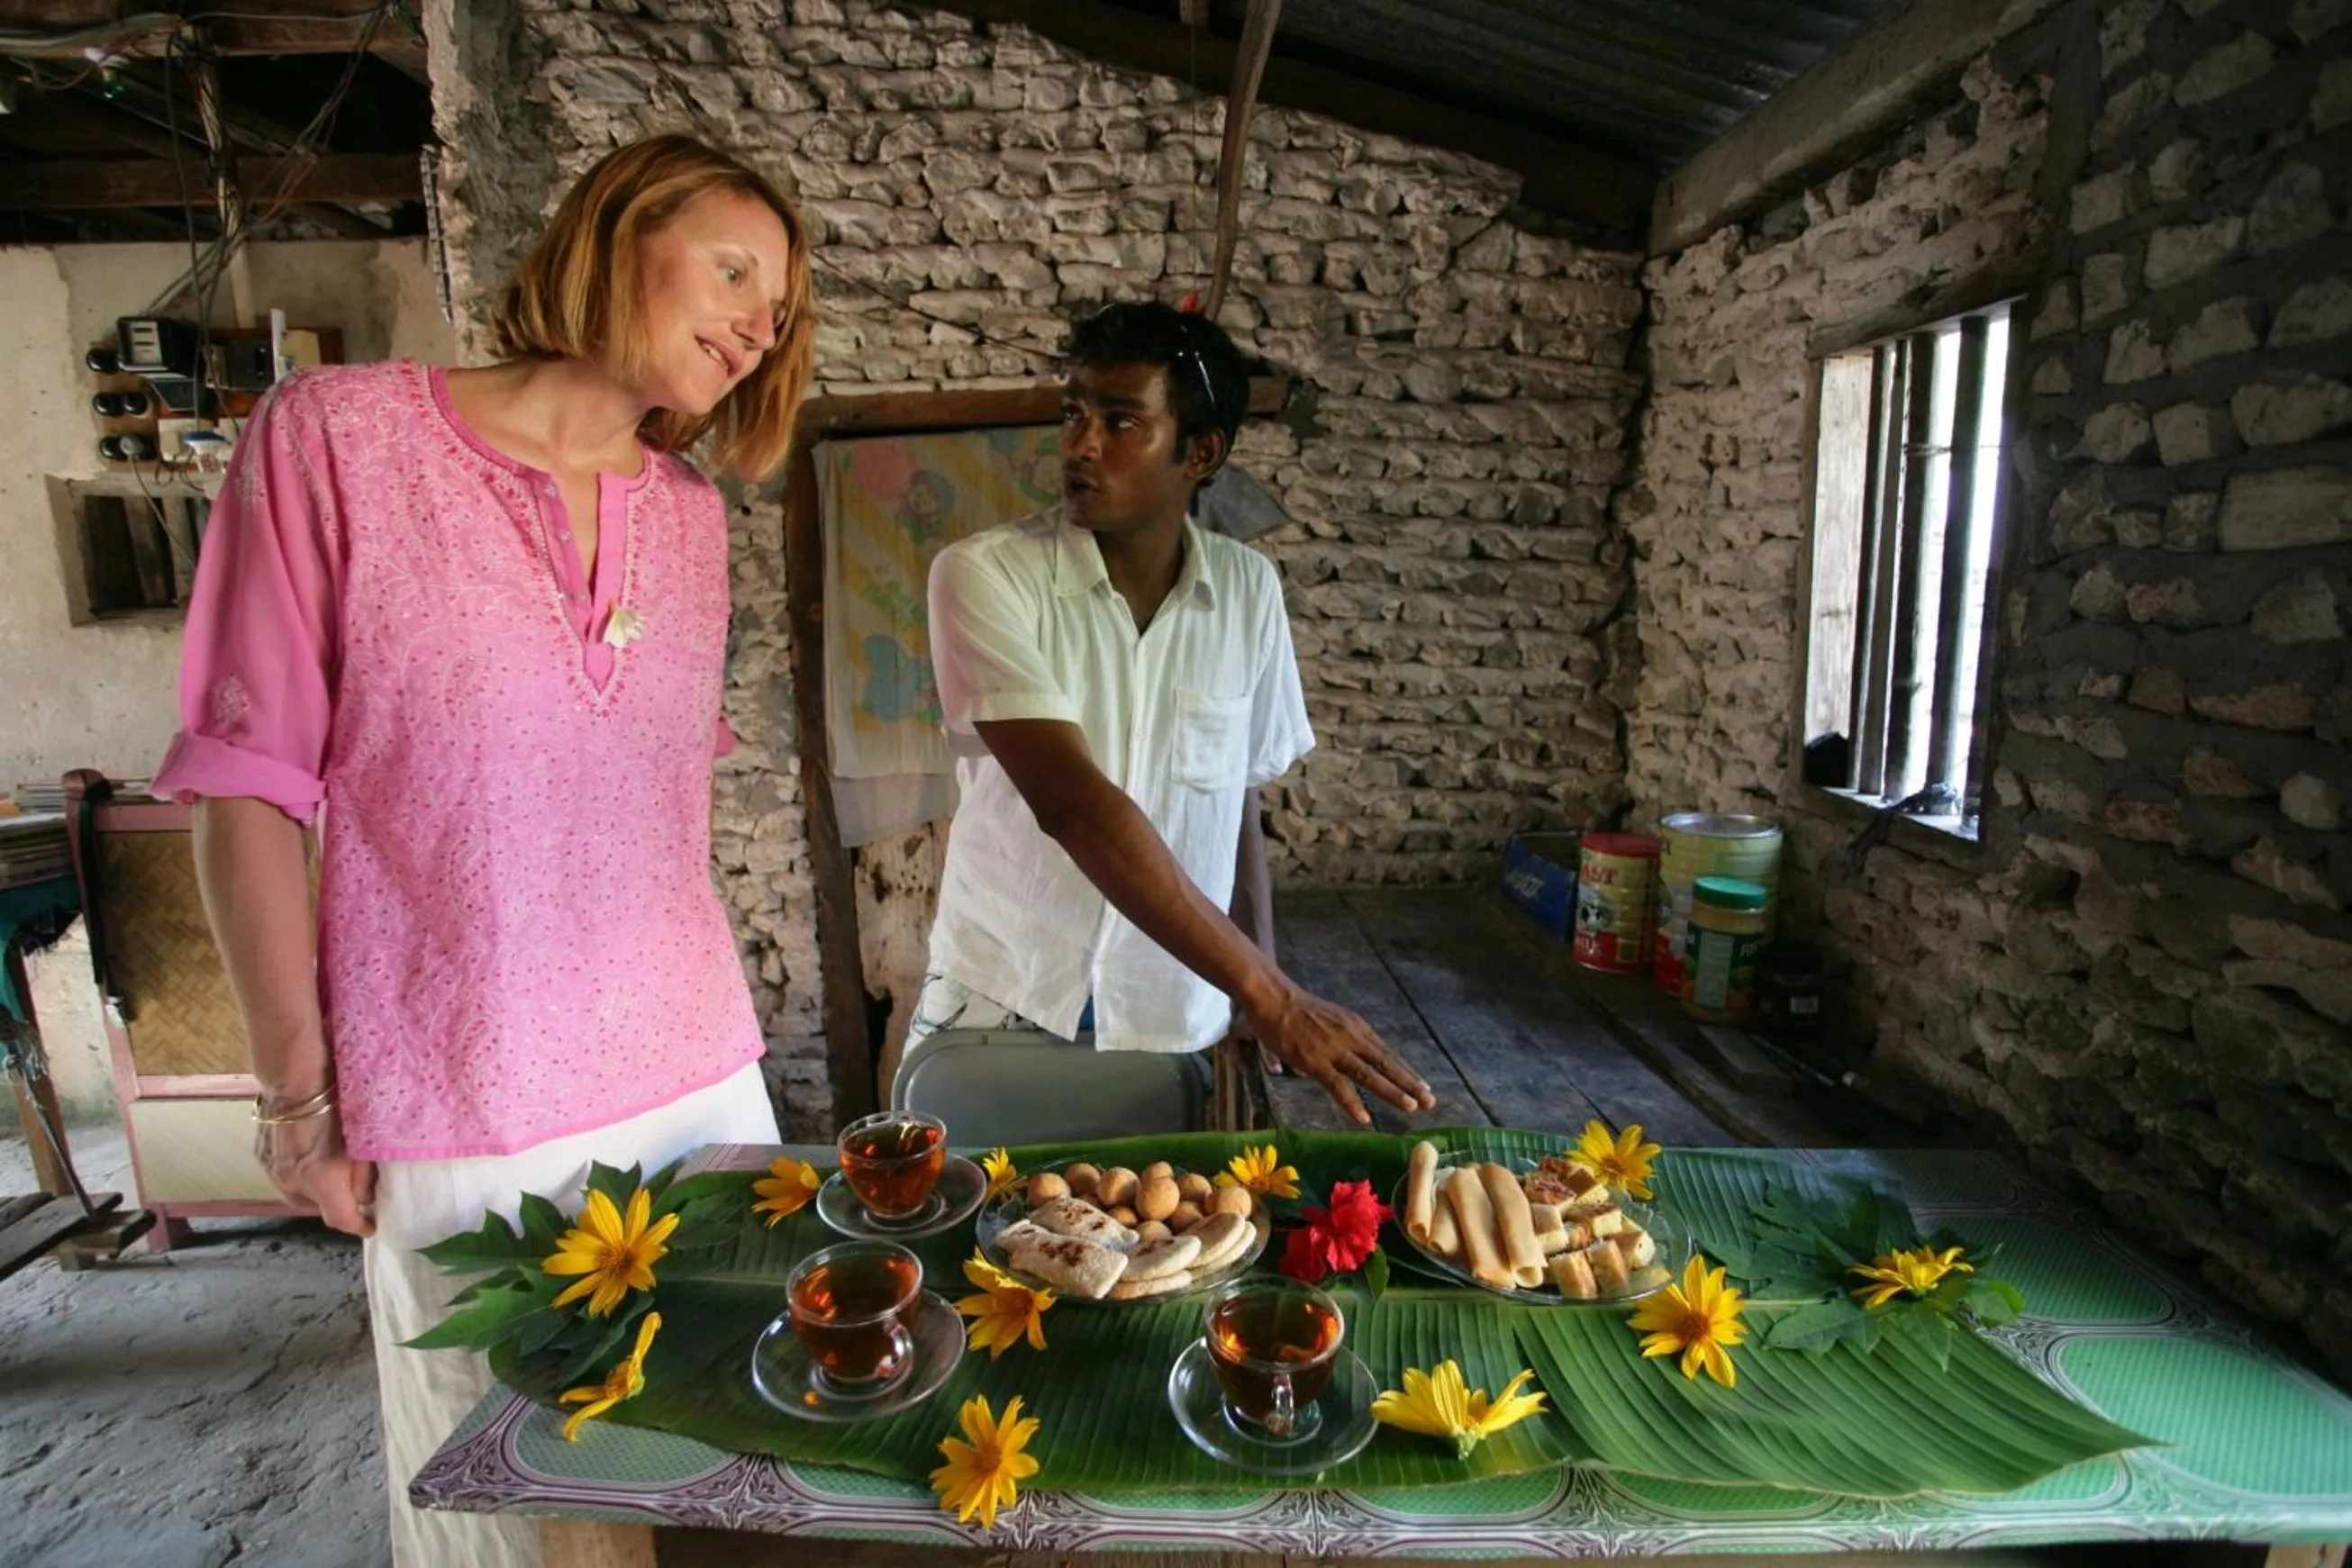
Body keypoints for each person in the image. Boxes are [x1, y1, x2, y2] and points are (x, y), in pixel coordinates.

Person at [153, 135, 814, 1568]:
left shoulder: (691, 522)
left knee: (727, 1494)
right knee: (519, 1520)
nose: (761, 323)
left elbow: (647, 830)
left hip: (696, 1087)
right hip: (459, 1097)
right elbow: (246, 786)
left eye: (780, 304)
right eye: (732, 269)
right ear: (615, 232)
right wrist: (296, 1097)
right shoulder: (337, 438)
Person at [903, 301, 1435, 1128]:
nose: (1081, 444)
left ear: (1201, 452)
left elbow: (1236, 806)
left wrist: (1254, 991)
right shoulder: (984, 576)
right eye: (1074, 412)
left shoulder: (1247, 591)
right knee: (965, 1238)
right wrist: (1271, 990)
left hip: (1170, 1008)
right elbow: (1072, 804)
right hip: (1005, 995)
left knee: (1150, 1243)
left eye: (1121, 421)